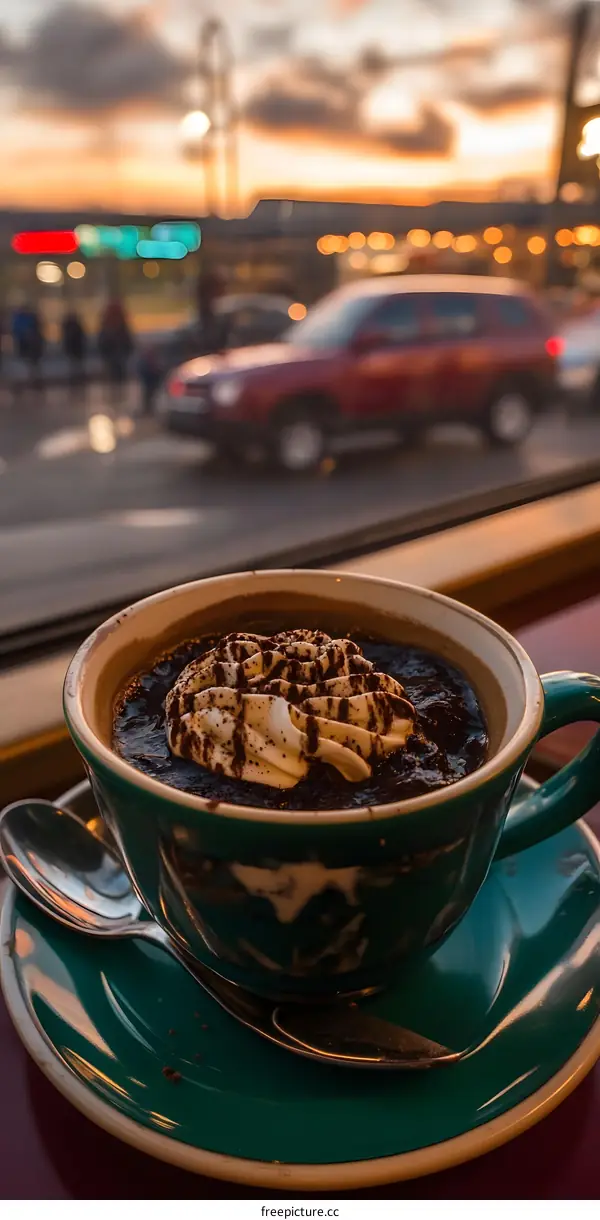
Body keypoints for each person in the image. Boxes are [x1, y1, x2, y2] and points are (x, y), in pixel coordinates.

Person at [98, 299, 133, 401]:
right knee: (116, 375)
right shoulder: (114, 325)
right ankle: (117, 395)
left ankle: (116, 395)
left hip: (116, 355)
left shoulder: (110, 325)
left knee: (117, 375)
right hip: (115, 354)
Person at [11, 302, 44, 388]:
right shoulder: (19, 318)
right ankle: (30, 375)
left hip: (31, 342)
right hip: (23, 341)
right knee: (25, 358)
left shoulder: (30, 318)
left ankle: (32, 375)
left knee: (32, 359)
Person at [62, 309, 87, 392]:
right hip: (73, 348)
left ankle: (77, 378)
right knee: (74, 364)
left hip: (76, 348)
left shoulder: (72, 326)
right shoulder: (70, 326)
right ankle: (75, 378)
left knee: (76, 364)